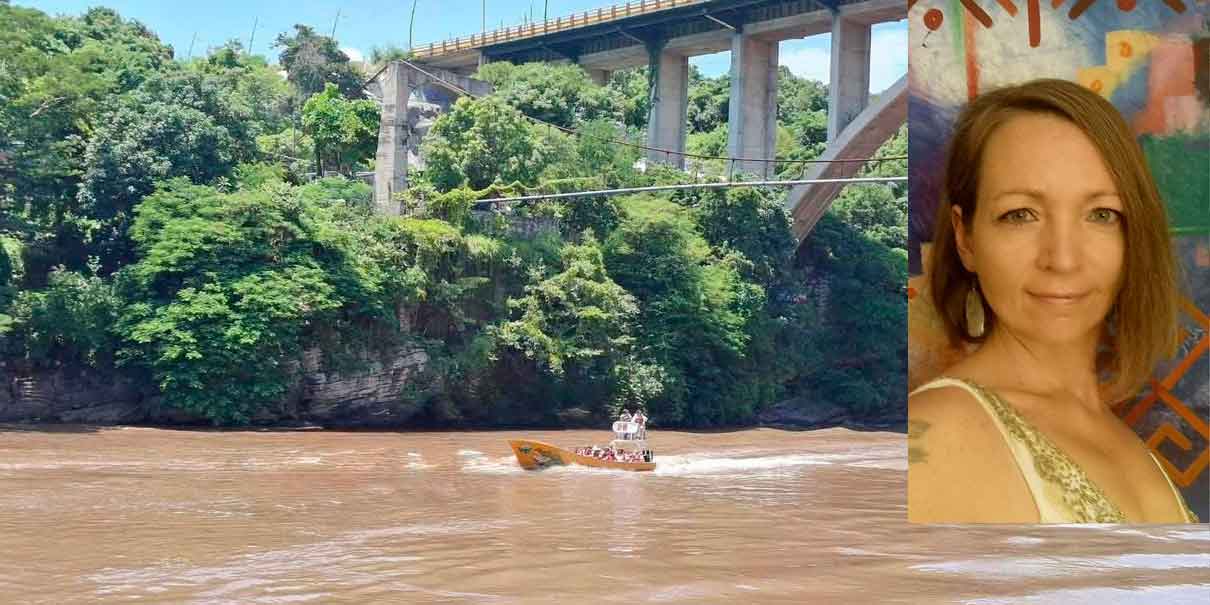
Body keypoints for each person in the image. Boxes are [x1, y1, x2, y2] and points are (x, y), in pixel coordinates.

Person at [908, 79, 1197, 524]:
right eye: (1020, 215)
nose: (1062, 259)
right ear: (966, 238)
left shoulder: (1110, 428)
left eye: (1101, 214)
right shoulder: (939, 436)